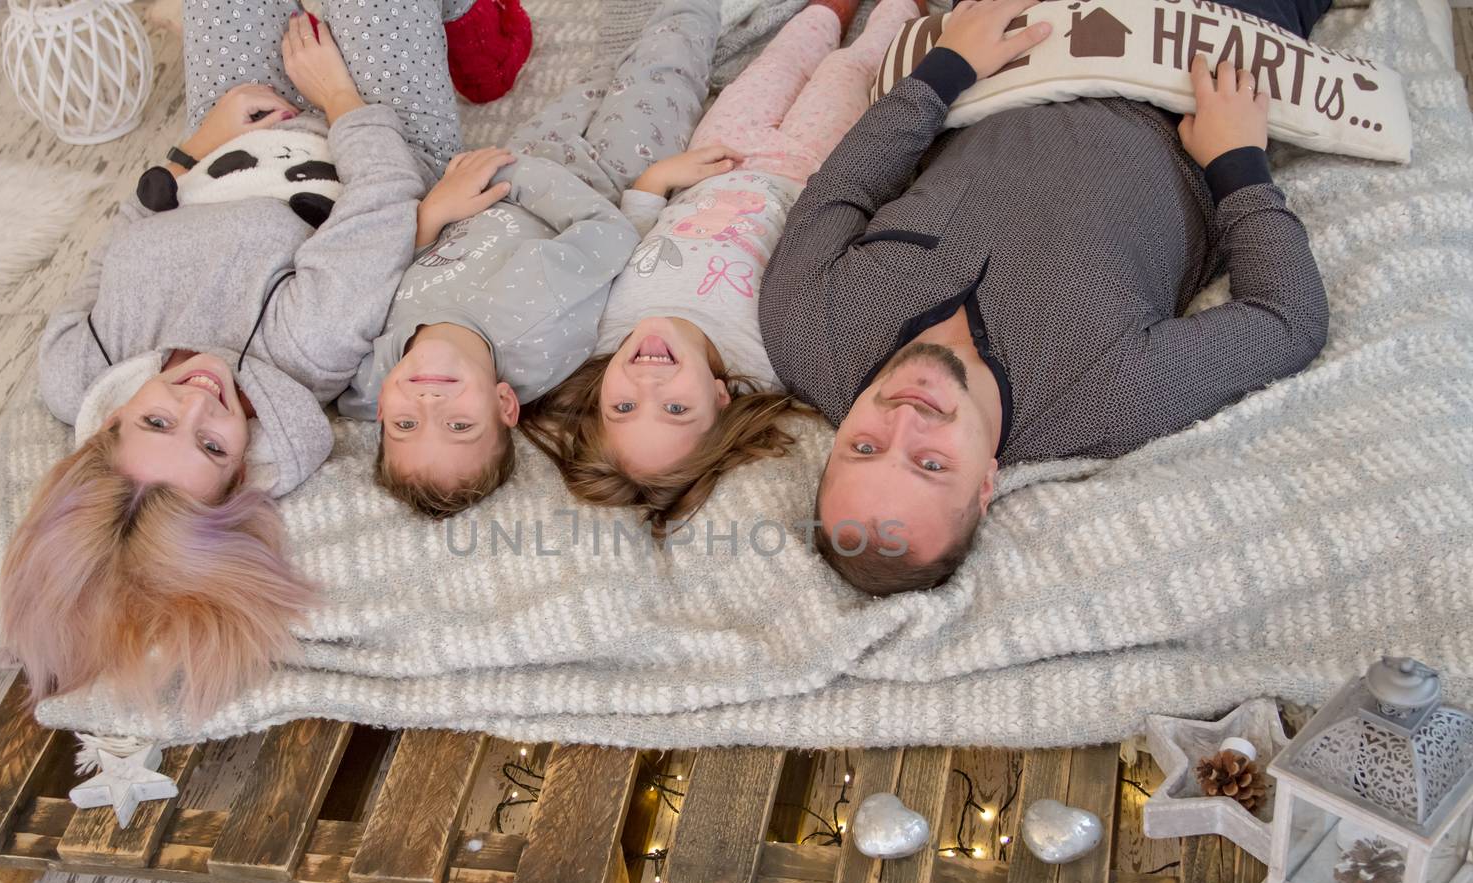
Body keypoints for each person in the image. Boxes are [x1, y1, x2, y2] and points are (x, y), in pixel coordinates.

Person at [759, 0, 1331, 596]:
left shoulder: (803, 324)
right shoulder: (1106, 399)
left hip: (1032, 46)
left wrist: (947, 67)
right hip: (1188, 61)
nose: (905, 418)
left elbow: (846, 185)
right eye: (931, 464)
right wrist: (1238, 165)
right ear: (985, 487)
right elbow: (1287, 319)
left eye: (865, 446)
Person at [0, 0, 461, 720]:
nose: (199, 398)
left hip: (227, 142)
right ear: (242, 470)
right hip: (374, 135)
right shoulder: (304, 345)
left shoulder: (79, 363)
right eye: (212, 443)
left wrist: (193, 145)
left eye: (156, 419)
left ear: (114, 417)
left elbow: (118, 242)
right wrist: (336, 92)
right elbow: (385, 198)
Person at [523, 0, 919, 534]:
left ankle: (830, 9)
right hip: (808, 168)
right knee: (850, 71)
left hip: (716, 157)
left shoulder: (601, 331)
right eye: (676, 410)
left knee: (778, 63)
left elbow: (626, 236)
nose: (648, 384)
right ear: (720, 397)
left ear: (598, 397)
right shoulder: (767, 358)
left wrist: (659, 180)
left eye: (623, 407)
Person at [340, 0, 725, 519]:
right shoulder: (538, 330)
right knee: (666, 62)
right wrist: (510, 175)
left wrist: (433, 215)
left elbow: (363, 283)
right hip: (606, 173)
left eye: (406, 425)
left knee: (596, 76)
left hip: (523, 158)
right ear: (504, 405)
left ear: (382, 410)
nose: (430, 406)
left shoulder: (368, 374)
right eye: (461, 426)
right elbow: (607, 236)